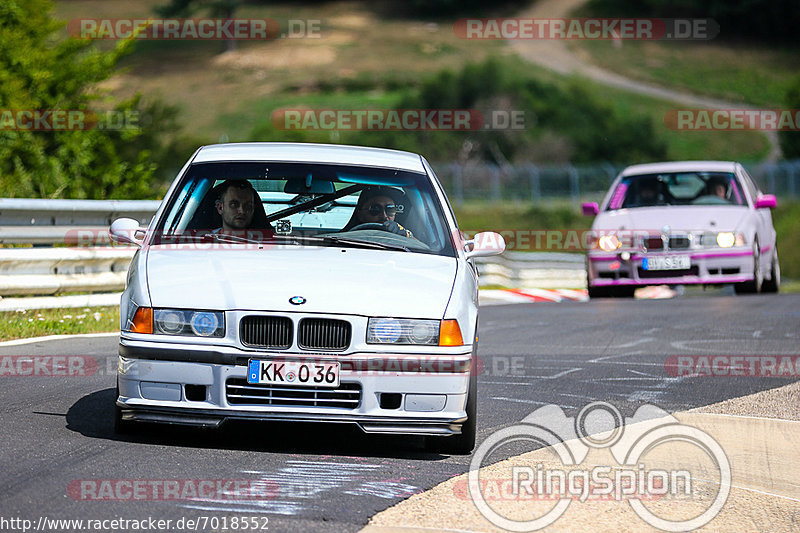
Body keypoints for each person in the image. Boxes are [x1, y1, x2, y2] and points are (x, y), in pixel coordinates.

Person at [342, 186, 413, 237]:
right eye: (375, 209)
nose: (384, 216)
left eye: (390, 209)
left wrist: (405, 235)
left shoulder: (402, 238)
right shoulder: (345, 239)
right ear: (361, 215)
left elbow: (419, 247)